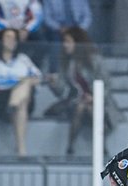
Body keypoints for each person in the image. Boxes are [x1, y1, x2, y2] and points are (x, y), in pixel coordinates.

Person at [44, 26, 110, 155]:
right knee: (81, 106)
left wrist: (94, 97)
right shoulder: (66, 62)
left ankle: (72, 146)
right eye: (64, 42)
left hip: (98, 102)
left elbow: (106, 84)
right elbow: (61, 91)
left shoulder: (95, 60)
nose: (65, 45)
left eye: (68, 41)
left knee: (89, 107)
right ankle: (98, 146)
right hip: (74, 101)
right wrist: (54, 82)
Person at [0, 27, 43, 156]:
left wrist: (24, 81)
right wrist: (19, 80)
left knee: (26, 84)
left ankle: (13, 104)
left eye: (14, 38)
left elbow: (37, 78)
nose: (11, 41)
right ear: (1, 40)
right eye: (8, 37)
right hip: (0, 98)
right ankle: (21, 149)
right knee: (23, 92)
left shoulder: (23, 59)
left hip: (24, 99)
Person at [0, 0, 46, 65]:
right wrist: (10, 28)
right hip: (2, 29)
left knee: (42, 43)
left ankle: (31, 68)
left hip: (23, 29)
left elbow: (38, 16)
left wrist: (27, 29)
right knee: (4, 35)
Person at [41, 0, 93, 74]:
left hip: (77, 30)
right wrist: (59, 28)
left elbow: (87, 16)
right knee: (55, 44)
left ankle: (85, 71)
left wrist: (80, 29)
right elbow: (47, 18)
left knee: (83, 40)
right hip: (58, 30)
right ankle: (54, 72)